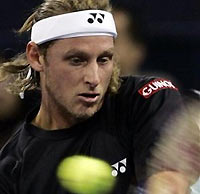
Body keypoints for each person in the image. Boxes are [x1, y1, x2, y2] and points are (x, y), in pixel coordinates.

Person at [0, 0, 195, 194]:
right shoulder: (11, 169)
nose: (94, 78)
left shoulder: (146, 98)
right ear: (36, 57)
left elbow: (169, 181)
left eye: (103, 59)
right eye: (76, 60)